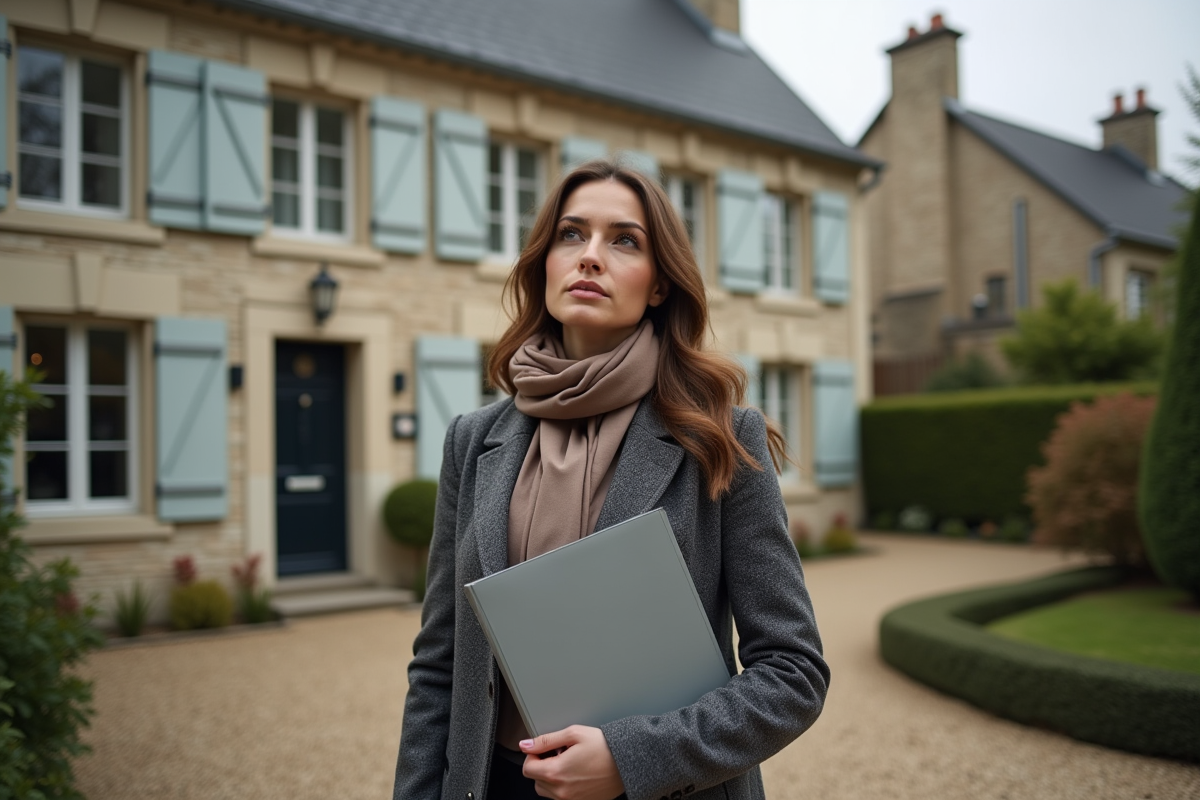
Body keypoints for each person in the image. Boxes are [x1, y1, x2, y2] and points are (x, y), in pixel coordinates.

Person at [393, 160, 828, 800]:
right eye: (571, 234)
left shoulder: (722, 437)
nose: (590, 257)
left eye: (624, 240)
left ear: (658, 285)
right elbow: (439, 666)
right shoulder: (472, 439)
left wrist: (631, 757)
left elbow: (793, 675)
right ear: (544, 262)